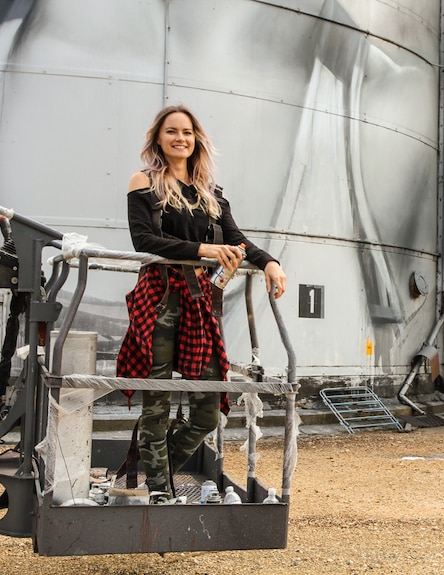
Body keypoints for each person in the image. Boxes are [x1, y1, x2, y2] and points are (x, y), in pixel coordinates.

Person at [116, 104, 286, 500]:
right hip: (159, 299)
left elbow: (238, 239)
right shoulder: (143, 182)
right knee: (156, 403)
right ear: (158, 138)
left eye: (188, 132)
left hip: (200, 304)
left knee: (209, 409)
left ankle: (158, 473)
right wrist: (206, 250)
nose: (180, 138)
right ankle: (159, 490)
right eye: (172, 131)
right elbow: (144, 241)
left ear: (196, 140)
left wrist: (270, 262)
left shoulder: (211, 193)